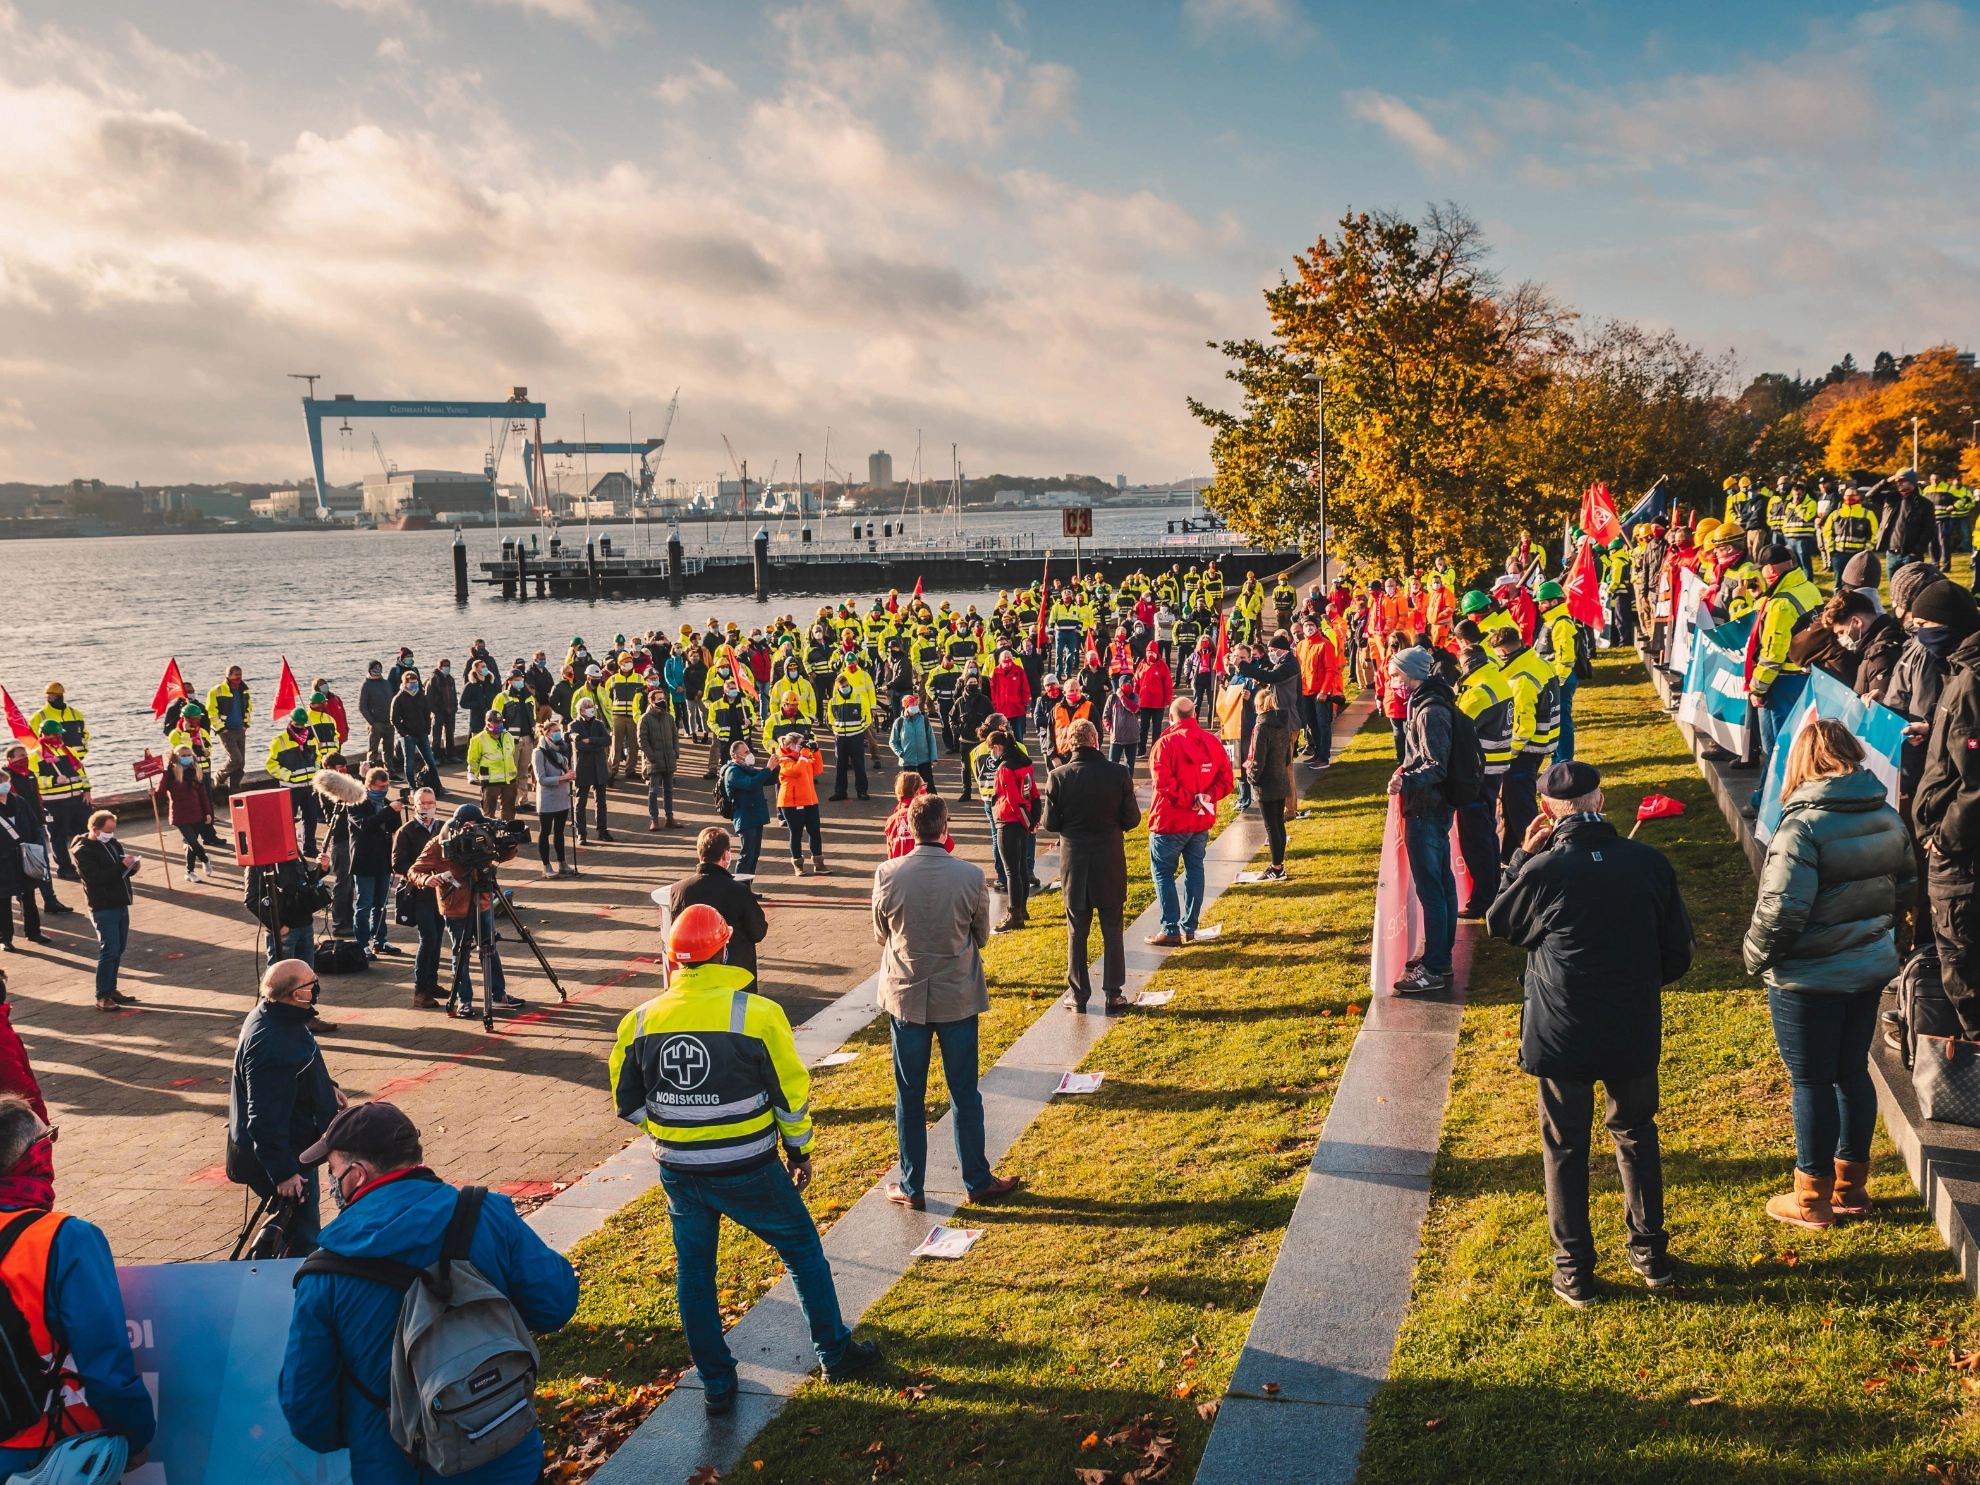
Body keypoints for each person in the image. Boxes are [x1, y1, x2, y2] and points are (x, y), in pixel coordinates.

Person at [609, 906, 877, 1413]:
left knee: (694, 1272)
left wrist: (674, 1130)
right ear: (725, 950)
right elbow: (789, 1094)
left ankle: (715, 1382)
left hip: (680, 1171)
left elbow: (627, 1102)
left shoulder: (639, 1020)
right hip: (750, 1167)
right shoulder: (756, 1014)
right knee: (801, 1250)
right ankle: (836, 1354)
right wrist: (799, 1150)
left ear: (673, 959)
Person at [1486, 761, 1695, 1306]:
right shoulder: (1648, 862)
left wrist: (1521, 859)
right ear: (1599, 802)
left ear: (1546, 815)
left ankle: (1574, 1270)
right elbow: (1678, 953)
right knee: (1635, 1133)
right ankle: (1650, 1252)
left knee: (1565, 1147)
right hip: (1630, 1023)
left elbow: (1499, 923)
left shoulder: (1545, 870)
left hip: (1563, 1027)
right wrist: (1635, 982)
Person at [282, 1100, 578, 1481]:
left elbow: (307, 1411)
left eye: (332, 1170)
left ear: (356, 1175)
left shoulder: (324, 1273)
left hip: (397, 1467)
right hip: (507, 1453)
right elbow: (555, 1305)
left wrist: (365, 1427)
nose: (331, 1182)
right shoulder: (486, 1212)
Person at [1742, 721, 1912, 1230]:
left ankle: (1812, 1198)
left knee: (1811, 1079)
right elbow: (1905, 891)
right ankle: (1851, 1186)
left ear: (1803, 762)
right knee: (1850, 1071)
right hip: (1866, 967)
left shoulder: (1802, 828)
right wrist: (1880, 942)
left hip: (1808, 977)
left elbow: (1780, 911)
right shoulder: (1887, 815)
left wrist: (1754, 956)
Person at [873, 794, 1022, 1209]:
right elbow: (981, 935)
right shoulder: (971, 876)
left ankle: (912, 1185)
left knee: (910, 1094)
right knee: (964, 1091)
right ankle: (976, 1178)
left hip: (907, 994)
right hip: (956, 994)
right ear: (946, 827)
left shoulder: (888, 873)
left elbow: (880, 933)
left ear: (910, 827)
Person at [0, 1094, 155, 1478]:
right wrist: (133, 1435)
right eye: (49, 1138)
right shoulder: (65, 1238)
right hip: (49, 1447)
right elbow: (105, 1359)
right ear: (34, 1157)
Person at [228, 959, 342, 1255]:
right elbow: (264, 1118)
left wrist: (329, 1088)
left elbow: (302, 1066)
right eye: (311, 981)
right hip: (287, 1159)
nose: (316, 985)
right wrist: (284, 1174)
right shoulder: (273, 1043)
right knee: (303, 1238)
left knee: (300, 1231)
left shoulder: (279, 1015)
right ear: (297, 994)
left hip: (295, 1149)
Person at [1044, 718, 1140, 1011]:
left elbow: (1049, 823)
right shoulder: (1118, 773)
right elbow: (1132, 819)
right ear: (1096, 740)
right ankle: (1113, 993)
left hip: (1074, 862)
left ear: (1069, 744)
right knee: (1112, 930)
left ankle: (1078, 994)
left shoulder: (1058, 777)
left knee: (1077, 932)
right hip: (1108, 860)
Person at [1914, 612, 1980, 1036]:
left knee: (1961, 961)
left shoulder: (1970, 681)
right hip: (1958, 850)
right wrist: (1933, 731)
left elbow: (1975, 781)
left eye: (1922, 622)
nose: (1917, 632)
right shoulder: (1960, 672)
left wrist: (1945, 838)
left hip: (1960, 858)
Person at [406, 804, 526, 1019]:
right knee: (460, 954)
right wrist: (426, 879)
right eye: (472, 826)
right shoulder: (439, 844)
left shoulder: (482, 834)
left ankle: (498, 994)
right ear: (463, 824)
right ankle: (464, 1001)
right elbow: (413, 871)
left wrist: (511, 843)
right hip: (456, 907)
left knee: (489, 949)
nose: (475, 830)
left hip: (483, 901)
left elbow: (501, 856)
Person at [1386, 647, 1460, 993]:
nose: (1393, 682)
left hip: (1427, 808)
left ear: (1413, 674)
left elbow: (1436, 765)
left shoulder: (1430, 711)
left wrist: (1406, 780)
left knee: (1433, 888)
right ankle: (1439, 957)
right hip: (1431, 807)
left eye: (1397, 675)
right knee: (1441, 884)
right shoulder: (1427, 701)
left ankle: (1433, 968)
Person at [1144, 696, 1234, 948]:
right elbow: (1227, 780)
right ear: (1194, 715)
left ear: (1171, 717)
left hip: (1170, 821)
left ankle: (1170, 928)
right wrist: (1205, 797)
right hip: (1199, 821)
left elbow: (1163, 784)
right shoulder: (1211, 742)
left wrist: (1188, 800)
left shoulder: (1165, 744)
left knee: (1163, 873)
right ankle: (1189, 927)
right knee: (1195, 870)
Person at [666, 828, 770, 985]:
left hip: (692, 979)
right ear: (726, 855)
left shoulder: (678, 890)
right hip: (736, 976)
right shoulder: (739, 891)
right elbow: (758, 932)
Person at [73, 810, 138, 1013]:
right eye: (107, 831)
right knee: (109, 949)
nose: (111, 835)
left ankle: (111, 988)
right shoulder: (82, 851)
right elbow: (95, 878)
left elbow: (120, 868)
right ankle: (102, 995)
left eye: (112, 831)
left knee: (118, 948)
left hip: (119, 902)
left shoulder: (112, 843)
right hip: (103, 906)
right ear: (95, 829)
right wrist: (121, 867)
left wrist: (132, 867)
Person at [393, 789, 446, 1006]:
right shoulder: (406, 831)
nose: (427, 807)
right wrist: (422, 877)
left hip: (442, 894)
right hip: (420, 893)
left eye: (431, 803)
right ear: (415, 806)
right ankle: (420, 989)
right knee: (428, 939)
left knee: (438, 938)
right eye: (423, 804)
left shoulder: (443, 828)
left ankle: (432, 982)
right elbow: (398, 864)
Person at [347, 767, 403, 961]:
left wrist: (395, 811)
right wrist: (389, 811)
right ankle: (362, 943)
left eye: (387, 786)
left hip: (383, 861)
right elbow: (365, 825)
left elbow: (395, 828)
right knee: (364, 903)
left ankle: (380, 939)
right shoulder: (355, 803)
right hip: (364, 861)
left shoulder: (385, 803)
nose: (384, 790)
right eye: (381, 786)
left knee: (381, 904)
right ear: (369, 785)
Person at [987, 730, 1040, 931]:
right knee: (1021, 869)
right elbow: (1032, 792)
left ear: (998, 747)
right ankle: (1022, 909)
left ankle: (1014, 914)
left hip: (1009, 821)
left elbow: (1012, 799)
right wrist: (1034, 819)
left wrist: (1028, 822)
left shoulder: (1005, 768)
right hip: (1023, 820)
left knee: (1011, 872)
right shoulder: (1024, 762)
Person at [1245, 688, 1294, 879]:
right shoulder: (1283, 722)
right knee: (1278, 824)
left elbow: (1259, 759)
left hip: (1266, 781)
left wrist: (1252, 777)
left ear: (1258, 706)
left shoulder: (1262, 727)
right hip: (1281, 777)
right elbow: (1288, 755)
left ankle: (1276, 867)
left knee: (1271, 826)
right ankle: (1279, 864)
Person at [156, 739, 214, 884]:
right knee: (192, 842)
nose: (186, 757)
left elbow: (203, 795)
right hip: (180, 814)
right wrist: (153, 793)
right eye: (183, 755)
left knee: (191, 844)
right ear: (176, 757)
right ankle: (205, 859)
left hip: (197, 813)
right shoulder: (168, 774)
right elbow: (160, 794)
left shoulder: (195, 771)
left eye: (188, 755)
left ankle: (190, 872)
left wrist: (208, 813)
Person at [0, 769, 46, 950]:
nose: (4, 785)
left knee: (29, 896)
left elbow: (34, 825)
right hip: (3, 862)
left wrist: (36, 847)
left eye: (5, 781)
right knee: (3, 901)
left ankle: (34, 932)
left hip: (24, 857)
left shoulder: (19, 802)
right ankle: (5, 938)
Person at [720, 741, 779, 879]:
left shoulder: (747, 768)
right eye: (746, 752)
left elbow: (765, 780)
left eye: (749, 751)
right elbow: (751, 783)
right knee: (747, 856)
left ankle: (747, 889)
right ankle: (739, 890)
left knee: (753, 856)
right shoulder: (732, 772)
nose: (749, 754)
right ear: (736, 756)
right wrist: (768, 768)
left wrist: (775, 768)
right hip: (745, 818)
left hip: (755, 816)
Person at [774, 730, 828, 876]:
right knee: (796, 833)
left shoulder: (802, 757)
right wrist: (804, 755)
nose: (803, 747)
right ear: (791, 745)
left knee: (815, 832)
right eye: (800, 744)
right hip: (791, 803)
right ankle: (798, 864)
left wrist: (815, 752)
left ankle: (819, 863)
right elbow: (797, 771)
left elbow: (818, 769)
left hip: (810, 800)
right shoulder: (783, 759)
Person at [390, 671, 441, 795]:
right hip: (408, 736)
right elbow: (394, 718)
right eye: (411, 683)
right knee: (409, 762)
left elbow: (427, 713)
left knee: (430, 761)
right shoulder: (399, 698)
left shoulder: (421, 696)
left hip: (422, 734)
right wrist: (404, 733)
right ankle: (412, 787)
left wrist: (427, 730)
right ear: (405, 683)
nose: (414, 685)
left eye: (415, 682)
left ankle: (437, 786)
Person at [640, 680, 682, 830]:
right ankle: (654, 820)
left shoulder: (668, 717)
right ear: (651, 702)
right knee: (653, 791)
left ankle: (669, 818)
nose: (662, 701)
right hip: (654, 760)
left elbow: (675, 735)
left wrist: (675, 752)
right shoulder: (645, 719)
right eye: (659, 699)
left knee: (669, 790)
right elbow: (642, 740)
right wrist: (651, 756)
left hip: (668, 758)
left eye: (663, 698)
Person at [570, 697, 612, 846]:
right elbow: (579, 746)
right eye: (587, 706)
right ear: (581, 710)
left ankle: (602, 830)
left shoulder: (599, 724)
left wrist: (590, 740)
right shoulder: (573, 726)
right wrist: (596, 744)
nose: (590, 708)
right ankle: (581, 833)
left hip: (599, 768)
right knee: (581, 803)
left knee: (601, 802)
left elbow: (607, 740)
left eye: (591, 706)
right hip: (584, 768)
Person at [466, 708, 519, 822]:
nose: (499, 725)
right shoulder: (478, 740)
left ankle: (507, 834)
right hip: (490, 781)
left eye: (500, 722)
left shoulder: (508, 736)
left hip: (509, 780)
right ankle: (489, 836)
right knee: (489, 813)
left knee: (509, 811)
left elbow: (511, 754)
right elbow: (472, 761)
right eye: (496, 722)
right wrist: (481, 774)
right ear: (488, 723)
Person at [884, 772, 954, 859]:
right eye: (924, 785)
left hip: (899, 869)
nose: (926, 788)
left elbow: (890, 852)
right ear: (917, 791)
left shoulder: (891, 820)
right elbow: (947, 846)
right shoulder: (927, 813)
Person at [208, 664, 252, 789]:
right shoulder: (217, 690)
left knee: (241, 762)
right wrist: (221, 729)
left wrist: (246, 725)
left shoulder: (244, 689)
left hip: (240, 729)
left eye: (240, 675)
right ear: (228, 676)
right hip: (226, 731)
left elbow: (248, 708)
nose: (238, 678)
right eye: (236, 675)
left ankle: (234, 788)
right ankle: (219, 776)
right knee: (236, 759)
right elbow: (211, 712)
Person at [889, 691, 940, 795]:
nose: (916, 707)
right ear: (906, 707)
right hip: (908, 761)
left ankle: (933, 806)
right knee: (909, 789)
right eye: (912, 705)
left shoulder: (924, 720)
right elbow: (893, 741)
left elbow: (931, 740)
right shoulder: (899, 722)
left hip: (924, 759)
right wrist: (901, 753)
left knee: (929, 786)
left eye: (916, 704)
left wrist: (933, 758)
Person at [357, 660, 396, 777]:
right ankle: (369, 774)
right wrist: (372, 722)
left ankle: (390, 771)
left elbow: (392, 699)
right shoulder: (366, 685)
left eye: (379, 667)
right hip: (375, 723)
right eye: (375, 668)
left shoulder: (385, 683)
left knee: (389, 749)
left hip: (389, 721)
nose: (378, 669)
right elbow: (362, 706)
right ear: (370, 670)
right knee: (373, 750)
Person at [429, 657, 459, 760]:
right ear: (440, 667)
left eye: (448, 666)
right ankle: (435, 756)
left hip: (450, 711)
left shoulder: (451, 679)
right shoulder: (434, 679)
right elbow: (429, 696)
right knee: (436, 735)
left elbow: (454, 694)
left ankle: (451, 754)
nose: (447, 668)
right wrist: (434, 710)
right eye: (445, 666)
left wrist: (455, 707)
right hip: (438, 712)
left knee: (450, 733)